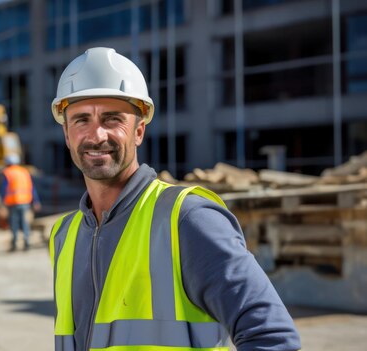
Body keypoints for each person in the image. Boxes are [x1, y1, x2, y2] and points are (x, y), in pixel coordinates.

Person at [48, 47, 301, 351]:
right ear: (66, 133)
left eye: (112, 119)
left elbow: (272, 337)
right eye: (81, 120)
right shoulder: (65, 235)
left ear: (138, 131)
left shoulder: (187, 219)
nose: (96, 134)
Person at [0, 154, 41, 252]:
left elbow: (3, 189)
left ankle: (14, 244)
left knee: (14, 223)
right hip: (25, 201)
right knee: (24, 222)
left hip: (13, 202)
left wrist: (1, 202)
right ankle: (26, 243)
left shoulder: (8, 172)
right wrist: (36, 201)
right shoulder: (24, 172)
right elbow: (32, 188)